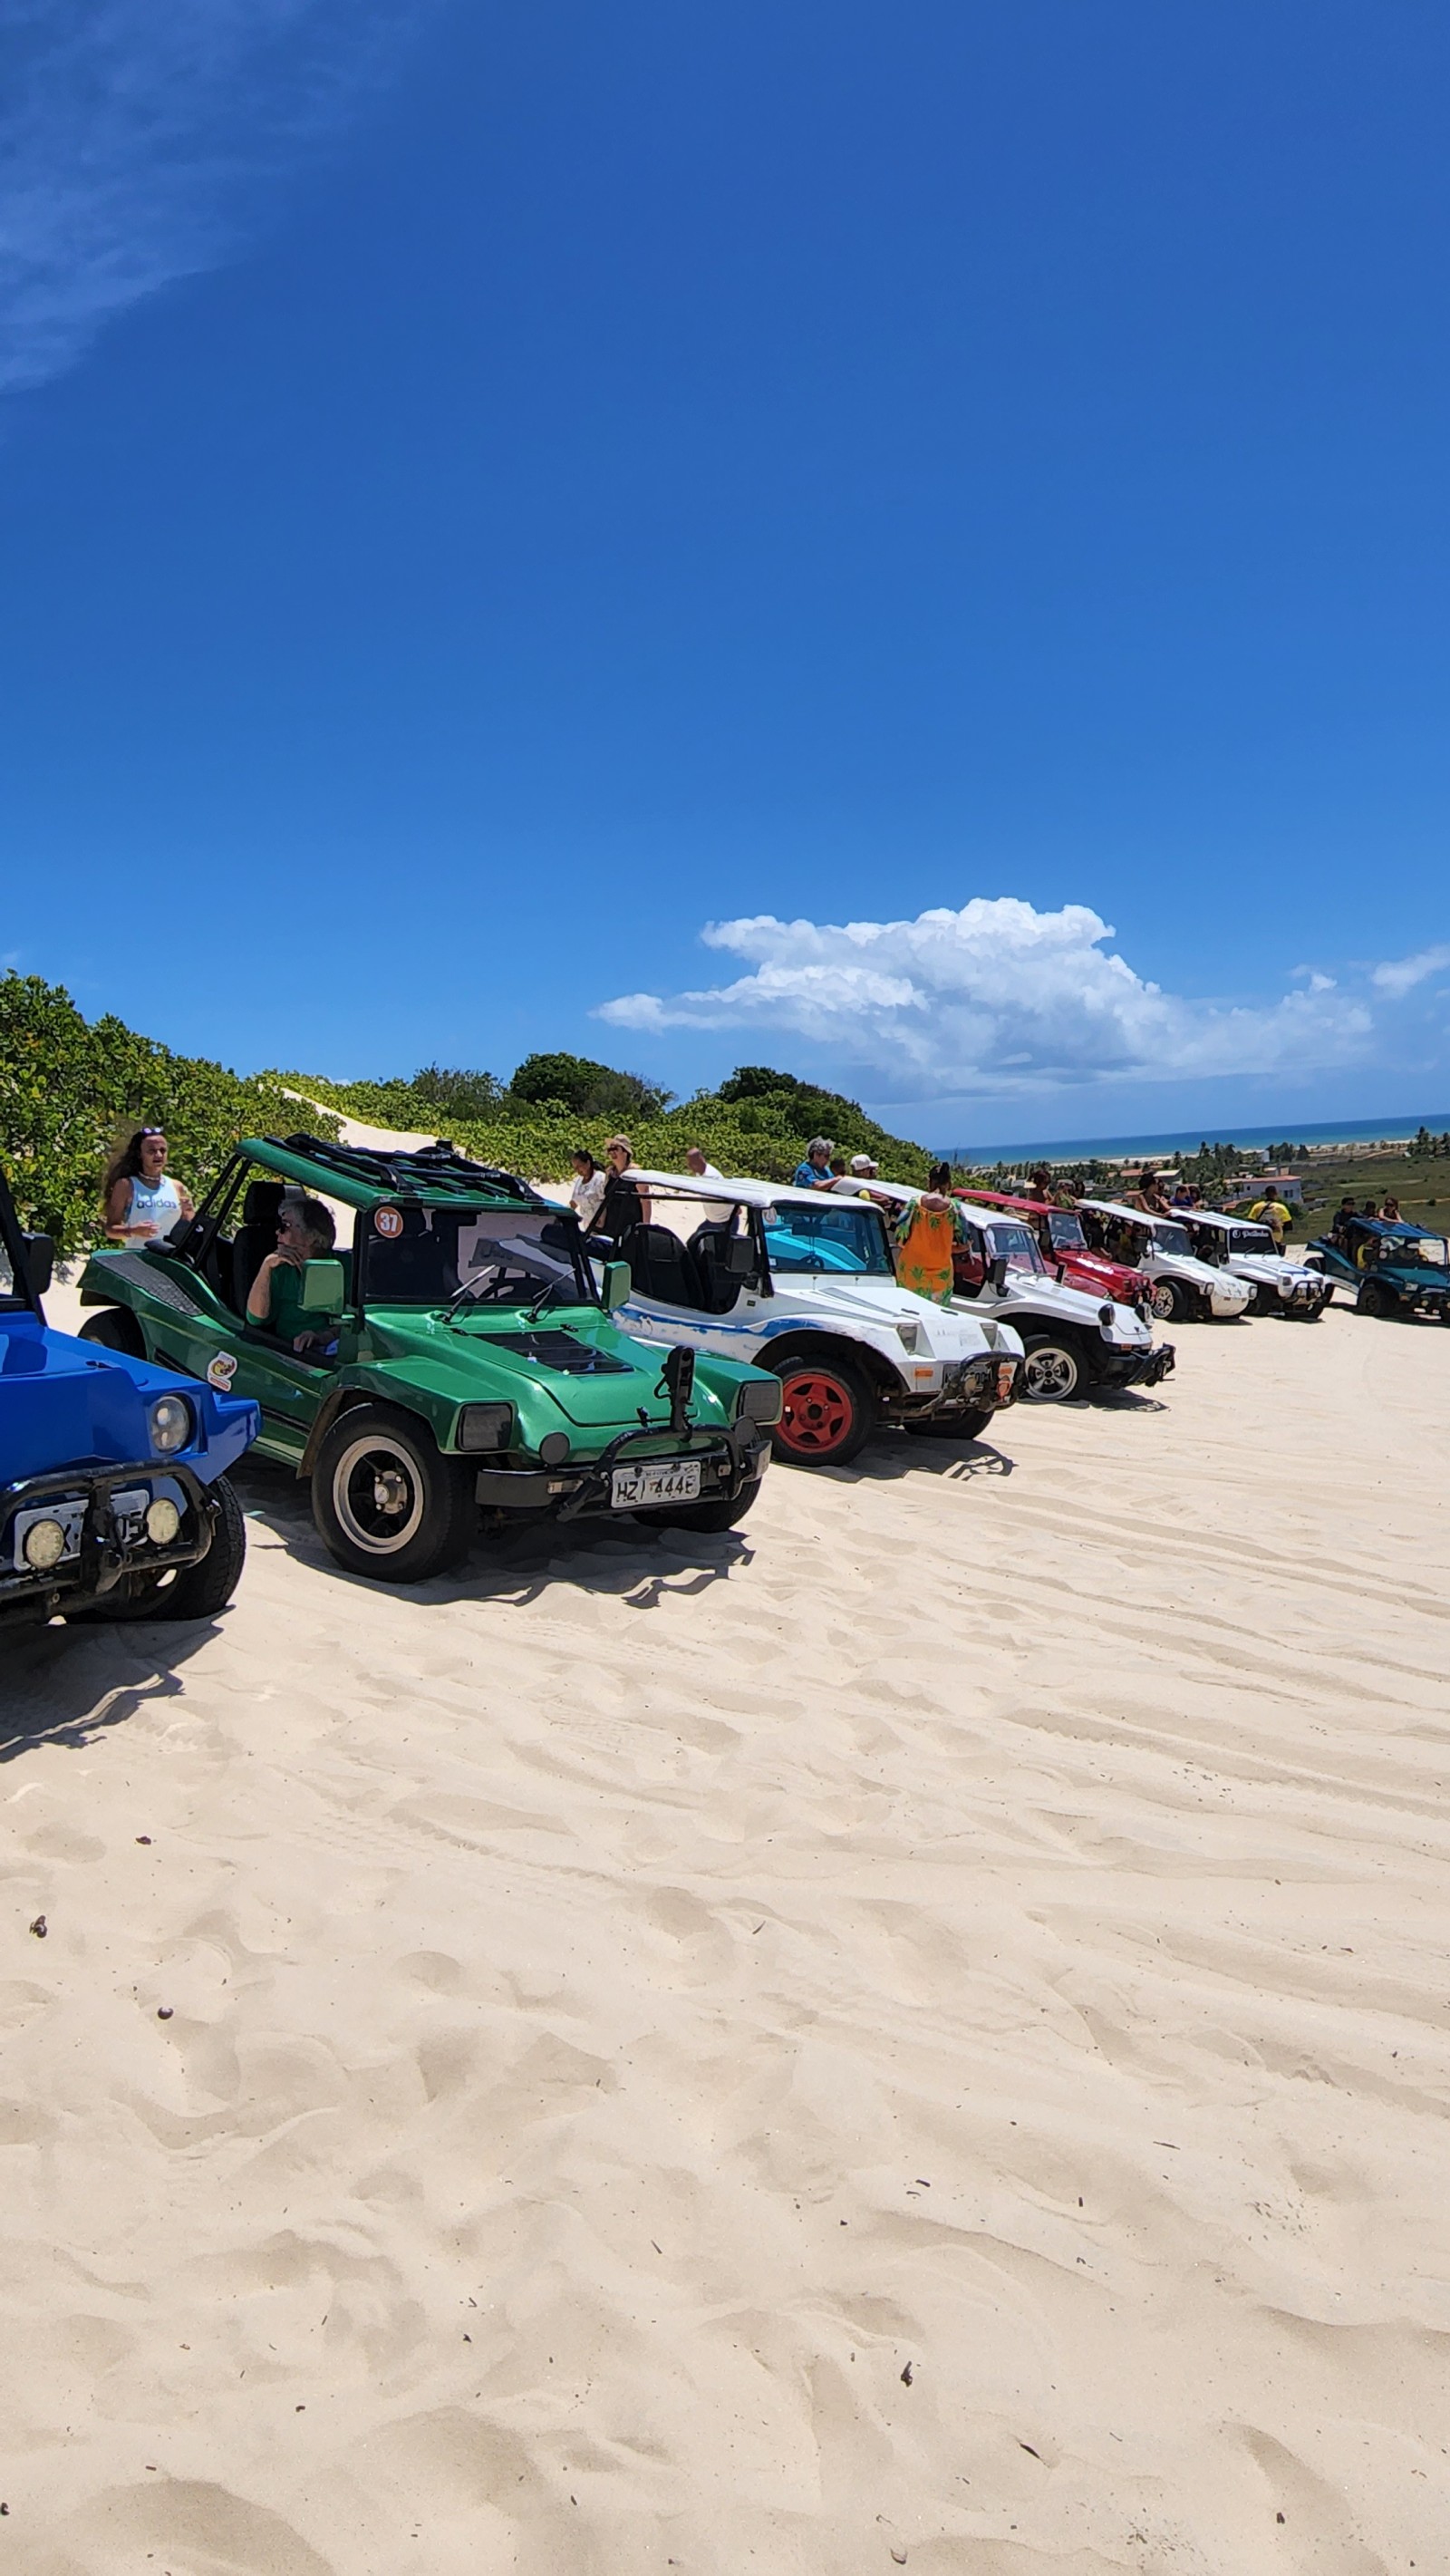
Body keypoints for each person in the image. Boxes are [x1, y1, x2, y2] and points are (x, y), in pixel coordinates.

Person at [246, 1196, 339, 1353]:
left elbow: (359, 1323)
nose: (277, 1232)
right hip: (290, 1353)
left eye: (285, 1226)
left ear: (312, 1235)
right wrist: (266, 1267)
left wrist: (323, 1337)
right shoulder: (279, 1268)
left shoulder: (343, 1266)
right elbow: (256, 1319)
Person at [892, 1163, 969, 1306]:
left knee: (909, 1313)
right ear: (949, 1184)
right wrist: (943, 1249)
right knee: (936, 1318)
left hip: (911, 1273)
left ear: (929, 1182)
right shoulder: (955, 1209)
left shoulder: (914, 1204)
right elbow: (965, 1245)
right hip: (940, 1277)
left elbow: (899, 1239)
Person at [102, 1126, 195, 1244]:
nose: (158, 1155)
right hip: (139, 1257)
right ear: (140, 1154)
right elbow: (110, 1230)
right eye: (152, 1151)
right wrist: (133, 1231)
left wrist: (189, 1212)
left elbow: (188, 1227)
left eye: (163, 1150)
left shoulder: (176, 1186)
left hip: (169, 1258)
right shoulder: (126, 1185)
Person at [594, 1136, 651, 1244]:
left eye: (616, 1149)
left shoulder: (636, 1173)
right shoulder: (610, 1172)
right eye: (610, 1149)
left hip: (629, 1226)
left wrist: (645, 1226)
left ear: (625, 1152)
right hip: (611, 1224)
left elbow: (645, 1200)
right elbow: (606, 1199)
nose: (612, 1152)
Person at [568, 1148, 606, 1230]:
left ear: (588, 1163)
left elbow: (606, 1203)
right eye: (575, 1168)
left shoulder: (600, 1178)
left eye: (579, 1166)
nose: (578, 1170)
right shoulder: (579, 1180)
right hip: (586, 1226)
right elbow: (574, 1203)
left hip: (599, 1226)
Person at [1249, 1185, 1292, 1252]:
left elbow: (1250, 1222)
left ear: (1265, 1194)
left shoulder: (1257, 1206)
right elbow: (1288, 1226)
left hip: (1260, 1238)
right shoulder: (1281, 1207)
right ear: (1276, 1193)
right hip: (1275, 1239)